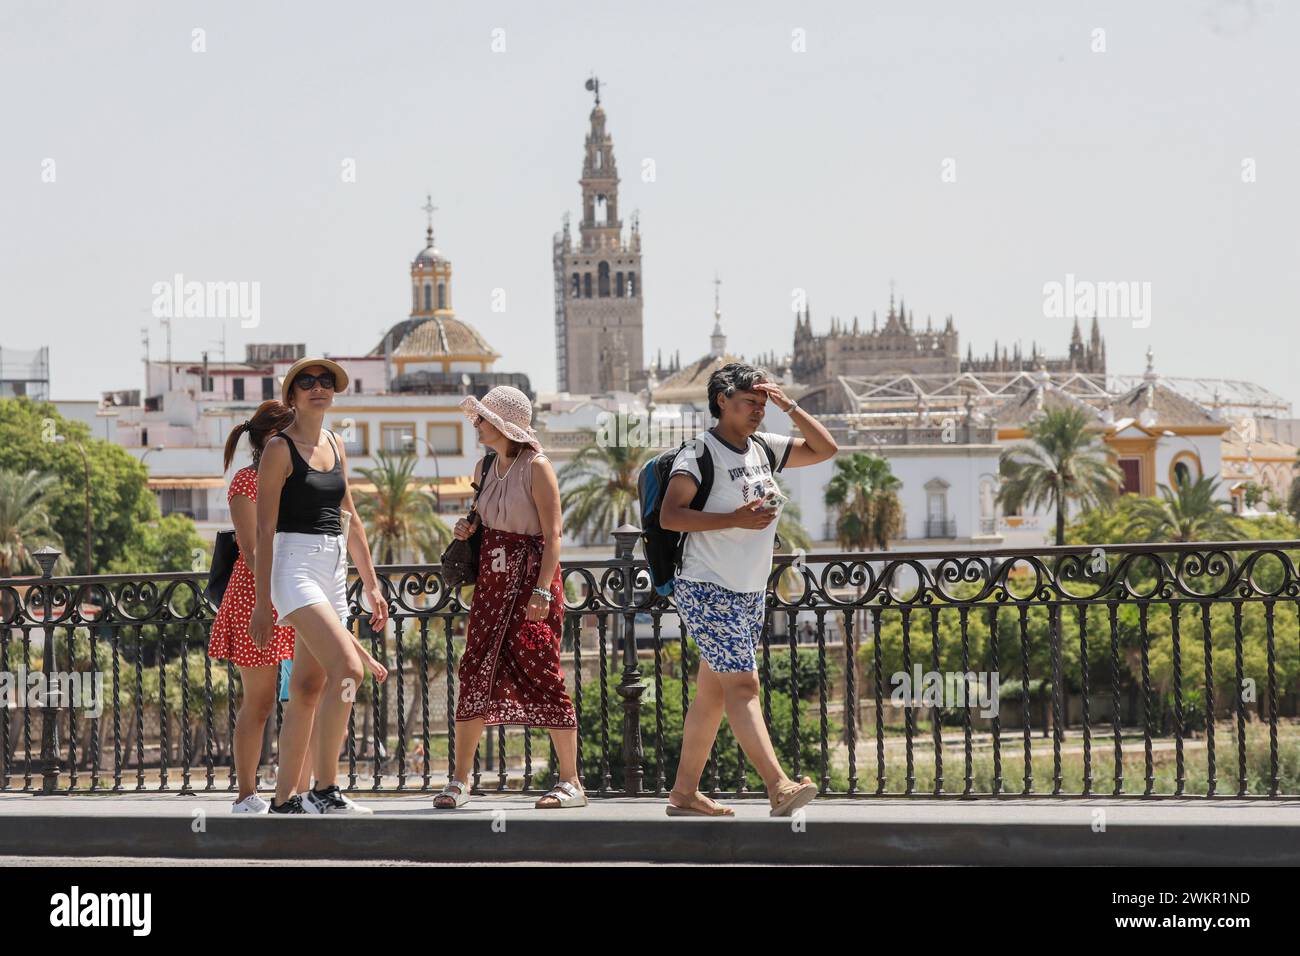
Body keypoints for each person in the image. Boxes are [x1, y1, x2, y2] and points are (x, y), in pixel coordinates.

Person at [659, 363, 838, 816]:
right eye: (749, 403)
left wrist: (789, 405)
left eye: (762, 404)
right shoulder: (700, 454)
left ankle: (683, 793)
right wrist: (734, 519)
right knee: (743, 685)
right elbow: (671, 516)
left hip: (747, 589)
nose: (758, 412)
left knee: (713, 693)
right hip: (706, 586)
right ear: (722, 401)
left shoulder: (762, 448)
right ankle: (778, 786)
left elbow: (825, 449)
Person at [250, 358, 390, 814]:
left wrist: (370, 583)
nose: (318, 388)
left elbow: (349, 517)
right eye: (306, 382)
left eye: (326, 381)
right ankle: (325, 790)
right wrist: (262, 602)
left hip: (332, 569)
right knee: (349, 671)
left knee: (309, 687)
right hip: (292, 567)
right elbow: (264, 530)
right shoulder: (278, 449)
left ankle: (286, 799)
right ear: (291, 395)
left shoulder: (334, 442)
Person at [434, 385, 582, 809]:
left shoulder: (537, 467)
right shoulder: (483, 467)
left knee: (542, 669)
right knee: (475, 669)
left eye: (482, 418)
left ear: (502, 424)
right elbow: (482, 521)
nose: (476, 424)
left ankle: (571, 781)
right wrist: (468, 530)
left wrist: (541, 590)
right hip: (492, 585)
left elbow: (553, 535)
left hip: (530, 582)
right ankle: (460, 781)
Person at [209, 400, 320, 813]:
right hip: (256, 596)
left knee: (306, 695)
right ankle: (245, 794)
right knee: (260, 702)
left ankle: (299, 790)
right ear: (273, 438)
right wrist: (266, 602)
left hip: (295, 592)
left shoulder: (297, 480)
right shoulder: (245, 482)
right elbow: (253, 549)